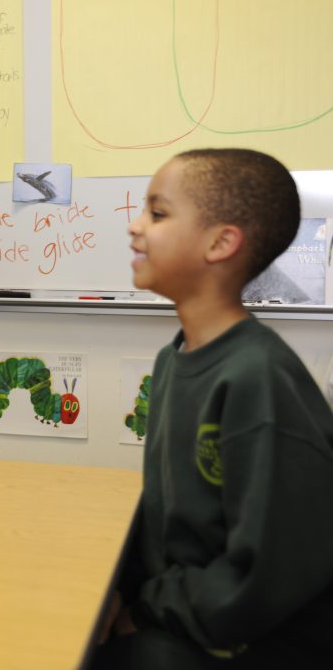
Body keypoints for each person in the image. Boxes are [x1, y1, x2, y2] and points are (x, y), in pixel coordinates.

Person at [93, 149, 333, 669]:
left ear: (221, 242)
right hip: (182, 612)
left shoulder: (258, 378)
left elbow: (269, 574)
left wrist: (145, 611)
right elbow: (170, 523)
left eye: (157, 213)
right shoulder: (174, 358)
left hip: (241, 640)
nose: (135, 227)